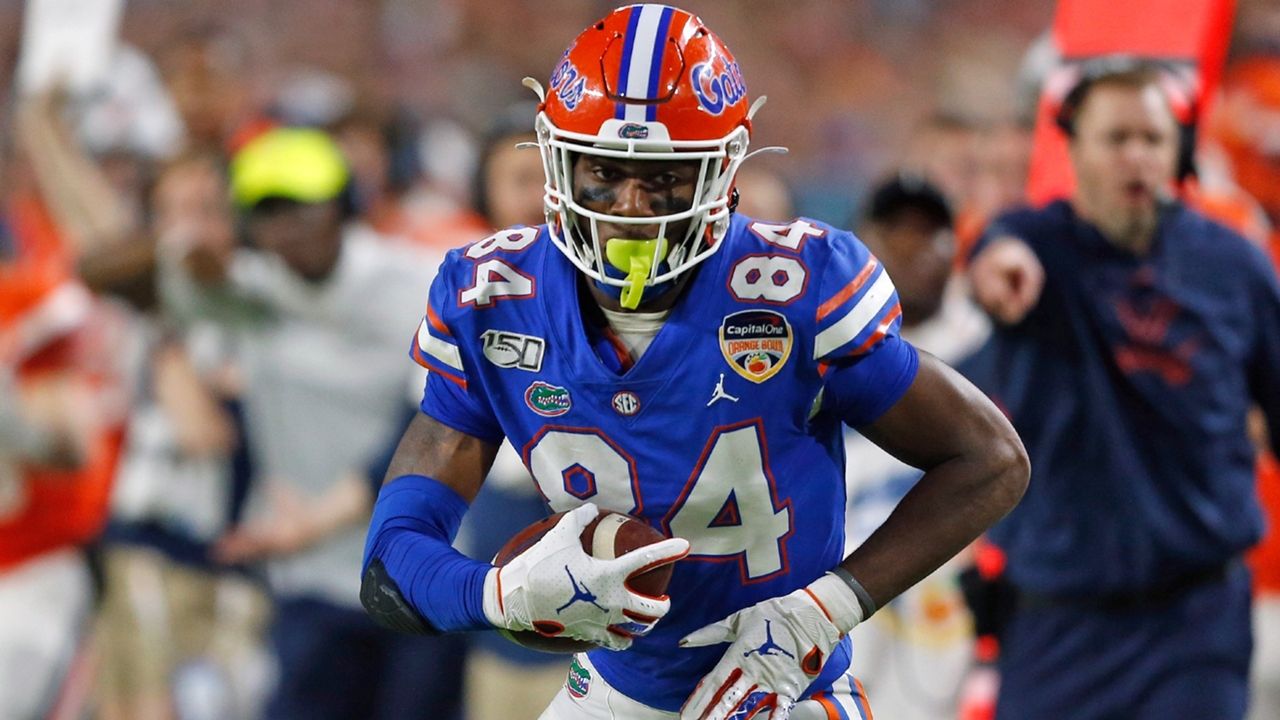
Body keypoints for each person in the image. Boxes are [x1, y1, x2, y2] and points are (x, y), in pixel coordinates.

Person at [361, 6, 1028, 720]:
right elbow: (391, 562)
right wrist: (499, 594)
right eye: (604, 175)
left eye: (665, 178)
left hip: (782, 687)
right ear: (557, 161)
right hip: (611, 695)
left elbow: (990, 459)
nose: (631, 208)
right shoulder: (492, 298)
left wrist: (822, 611)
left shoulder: (797, 289)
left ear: (723, 174)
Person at [966, 58, 1280, 719]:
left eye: (1153, 138)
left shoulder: (1235, 266)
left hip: (1196, 620)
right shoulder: (1034, 249)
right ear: (1073, 148)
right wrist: (1000, 271)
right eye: (1116, 138)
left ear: (1179, 149)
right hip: (1059, 623)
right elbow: (996, 254)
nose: (1136, 156)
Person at [159, 127, 464, 720]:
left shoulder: (418, 284)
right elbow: (109, 274)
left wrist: (321, 518)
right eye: (268, 211)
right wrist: (184, 250)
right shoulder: (247, 294)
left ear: (344, 203)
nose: (289, 225)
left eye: (304, 204)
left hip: (421, 568)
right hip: (311, 579)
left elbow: (431, 429)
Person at [842, 174, 990, 720]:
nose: (910, 248)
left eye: (927, 233)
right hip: (843, 583)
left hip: (961, 593)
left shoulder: (988, 341)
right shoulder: (825, 340)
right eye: (895, 231)